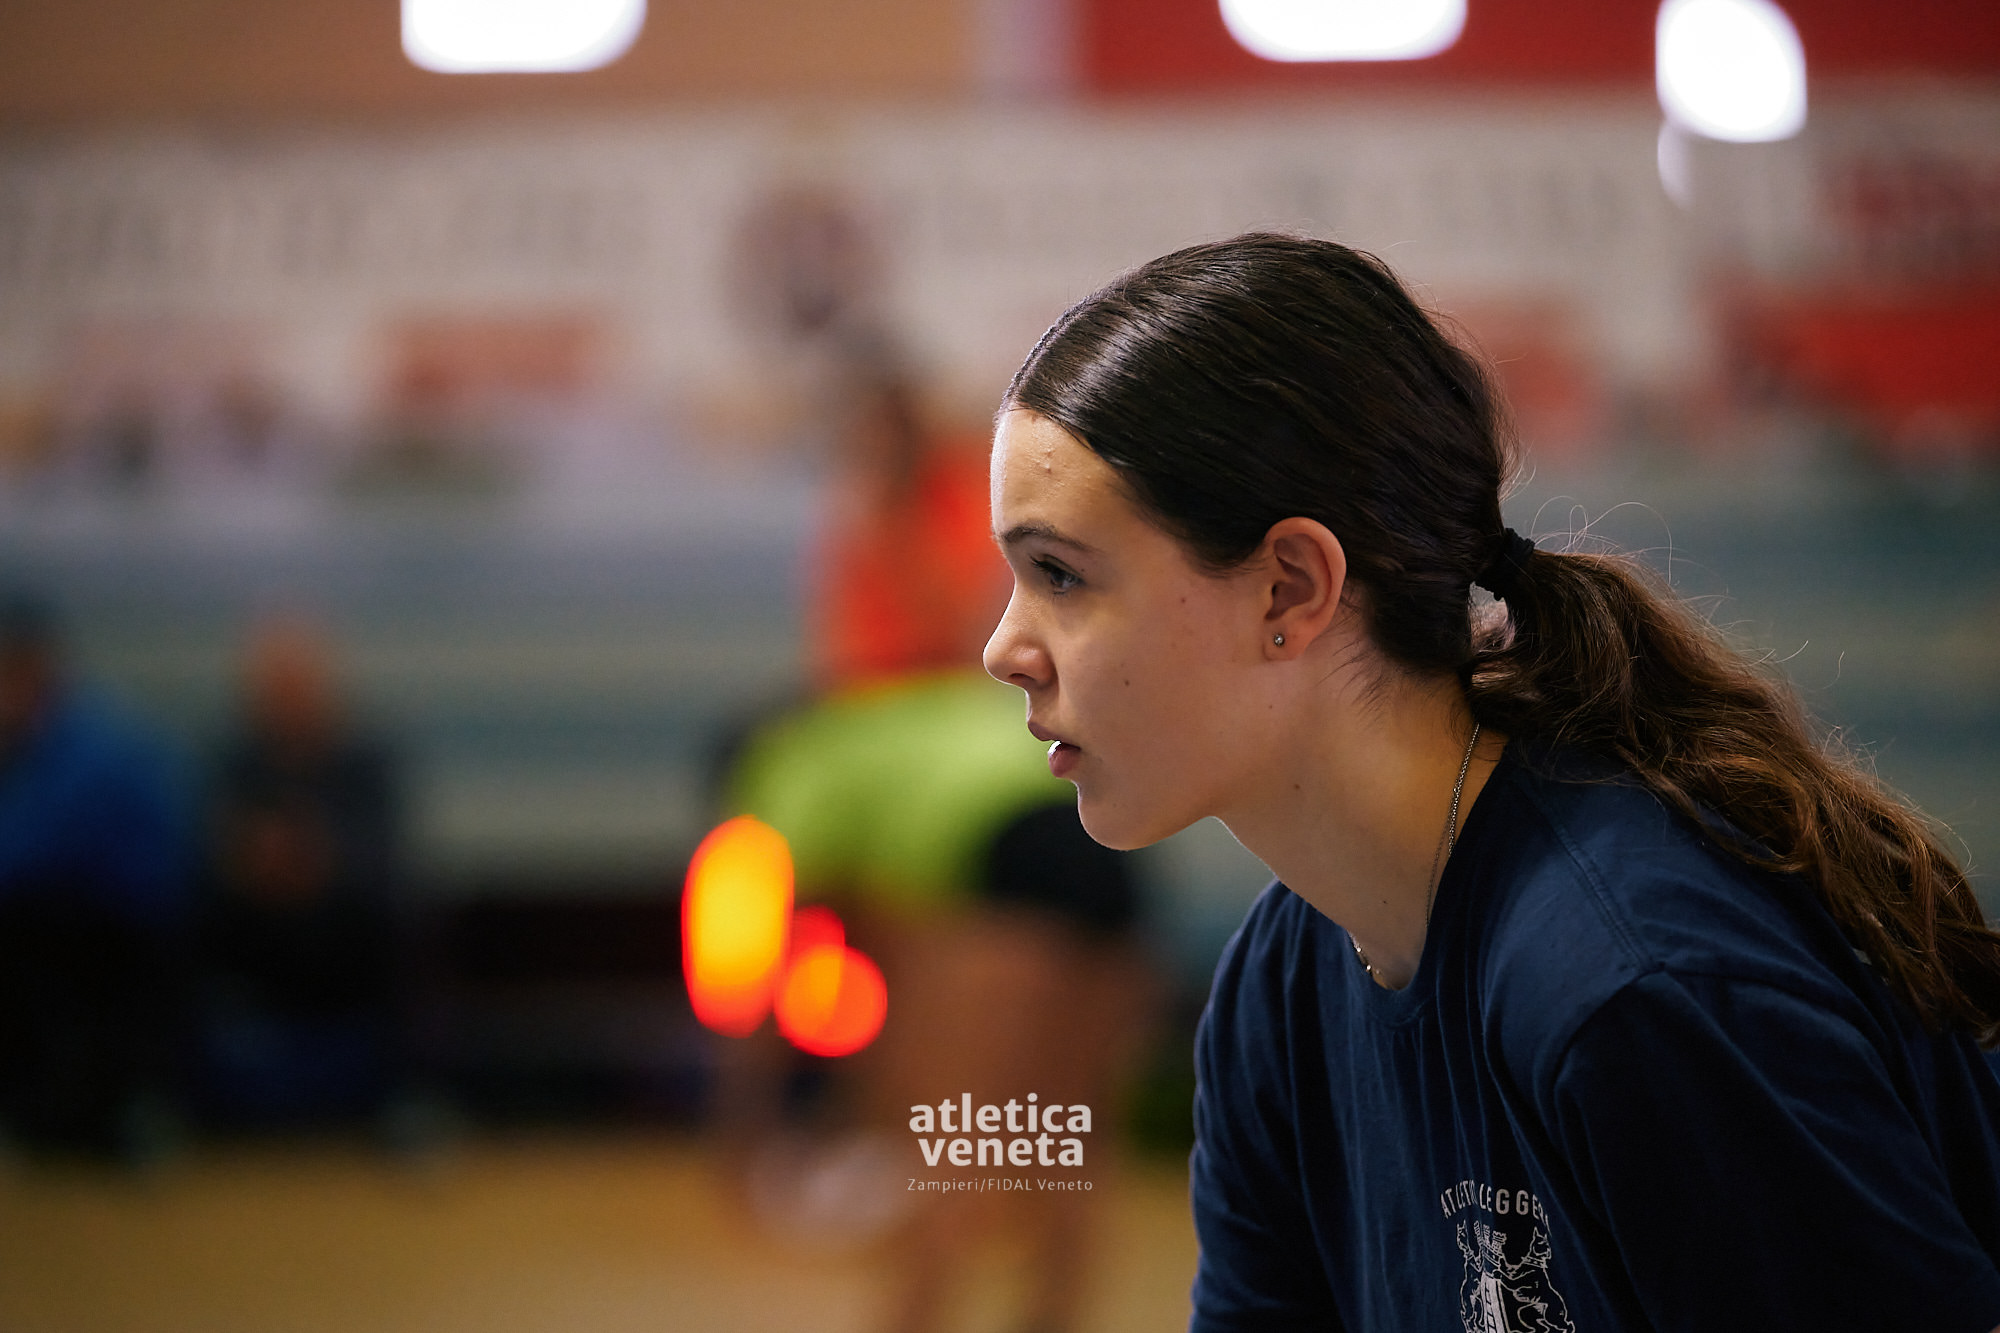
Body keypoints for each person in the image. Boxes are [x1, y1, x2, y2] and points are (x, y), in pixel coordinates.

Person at [979, 234, 2000, 1333]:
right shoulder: (1279, 988)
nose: (1003, 649)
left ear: (1290, 587)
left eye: (1061, 575)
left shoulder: (1634, 988)